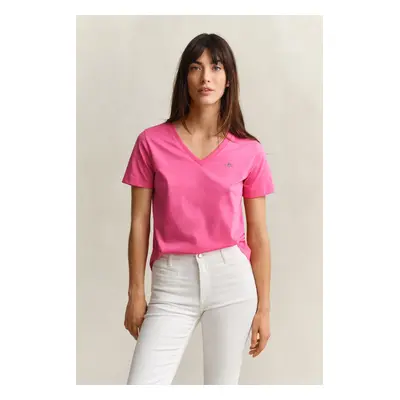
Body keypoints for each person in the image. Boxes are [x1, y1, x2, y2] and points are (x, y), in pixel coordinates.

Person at [121, 33, 274, 385]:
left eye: (216, 67)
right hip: (172, 282)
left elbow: (259, 234)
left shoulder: (249, 150)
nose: (206, 77)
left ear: (228, 78)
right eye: (196, 67)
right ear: (185, 77)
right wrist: (136, 292)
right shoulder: (151, 143)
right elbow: (139, 222)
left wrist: (264, 308)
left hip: (232, 279)